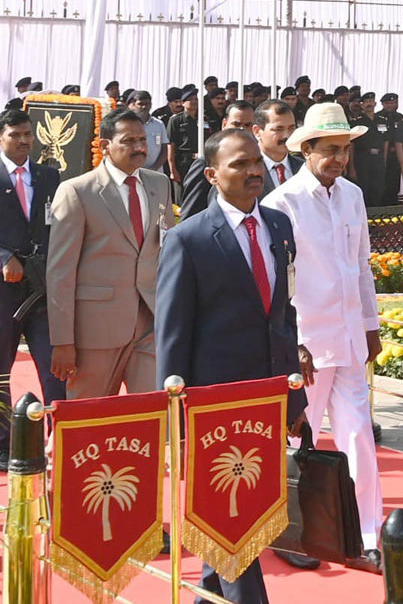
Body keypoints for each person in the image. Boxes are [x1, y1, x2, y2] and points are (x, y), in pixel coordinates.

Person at [156, 128, 309, 604]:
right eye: (239, 164)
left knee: (245, 510)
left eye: (256, 163)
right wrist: (175, 410)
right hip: (212, 403)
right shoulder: (189, 239)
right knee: (231, 515)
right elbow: (172, 332)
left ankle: (209, 597)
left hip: (267, 395)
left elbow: (283, 315)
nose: (252, 172)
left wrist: (294, 396)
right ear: (212, 175)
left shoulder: (279, 227)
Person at [262, 101, 384, 574]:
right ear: (306, 149)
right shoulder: (282, 203)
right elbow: (277, 283)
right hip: (306, 344)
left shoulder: (353, 195)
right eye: (328, 150)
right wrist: (289, 344)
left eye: (344, 149)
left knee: (359, 439)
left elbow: (362, 267)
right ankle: (292, 532)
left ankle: (367, 534)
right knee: (298, 442)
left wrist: (371, 324)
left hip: (351, 337)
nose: (338, 158)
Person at [47, 108, 172, 399]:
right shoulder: (77, 191)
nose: (140, 148)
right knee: (88, 418)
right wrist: (62, 341)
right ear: (105, 145)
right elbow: (60, 272)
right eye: (129, 141)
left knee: (151, 412)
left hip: (150, 323)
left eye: (143, 140)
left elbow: (165, 247)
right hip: (96, 329)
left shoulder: (159, 184)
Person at [0, 109, 66, 469]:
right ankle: (4, 442)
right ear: (1, 137)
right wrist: (4, 255)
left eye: (28, 134)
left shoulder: (48, 175)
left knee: (54, 361)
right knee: (1, 366)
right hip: (4, 287)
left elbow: (59, 223)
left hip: (42, 286)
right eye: (16, 135)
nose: (24, 141)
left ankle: (61, 434)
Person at [179, 101, 257, 219]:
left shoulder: (259, 163)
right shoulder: (205, 163)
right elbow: (190, 215)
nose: (241, 130)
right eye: (236, 124)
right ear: (224, 124)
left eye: (248, 125)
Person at [349, 92, 389, 206]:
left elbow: (386, 142)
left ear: (375, 103)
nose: (369, 104)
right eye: (366, 102)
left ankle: (375, 218)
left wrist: (384, 161)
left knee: (378, 188)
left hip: (379, 159)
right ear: (361, 105)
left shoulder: (382, 120)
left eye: (371, 101)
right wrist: (351, 167)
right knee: (363, 189)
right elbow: (351, 145)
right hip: (363, 158)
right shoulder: (357, 122)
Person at [128, 91, 169, 174]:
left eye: (147, 104)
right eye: (140, 104)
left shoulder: (159, 124)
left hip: (156, 173)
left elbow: (164, 149)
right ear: (133, 105)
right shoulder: (128, 125)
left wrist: (154, 168)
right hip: (133, 172)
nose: (144, 107)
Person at [166, 88, 200, 182]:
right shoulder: (176, 120)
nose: (194, 102)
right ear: (183, 102)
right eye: (190, 99)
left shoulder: (203, 119)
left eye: (196, 99)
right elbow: (171, 146)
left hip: (200, 161)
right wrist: (173, 170)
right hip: (184, 162)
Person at [378, 93, 403, 203]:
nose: (391, 105)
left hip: (396, 157)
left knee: (394, 184)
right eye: (388, 103)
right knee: (381, 184)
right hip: (382, 156)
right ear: (383, 104)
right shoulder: (378, 117)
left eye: (393, 103)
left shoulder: (400, 118)